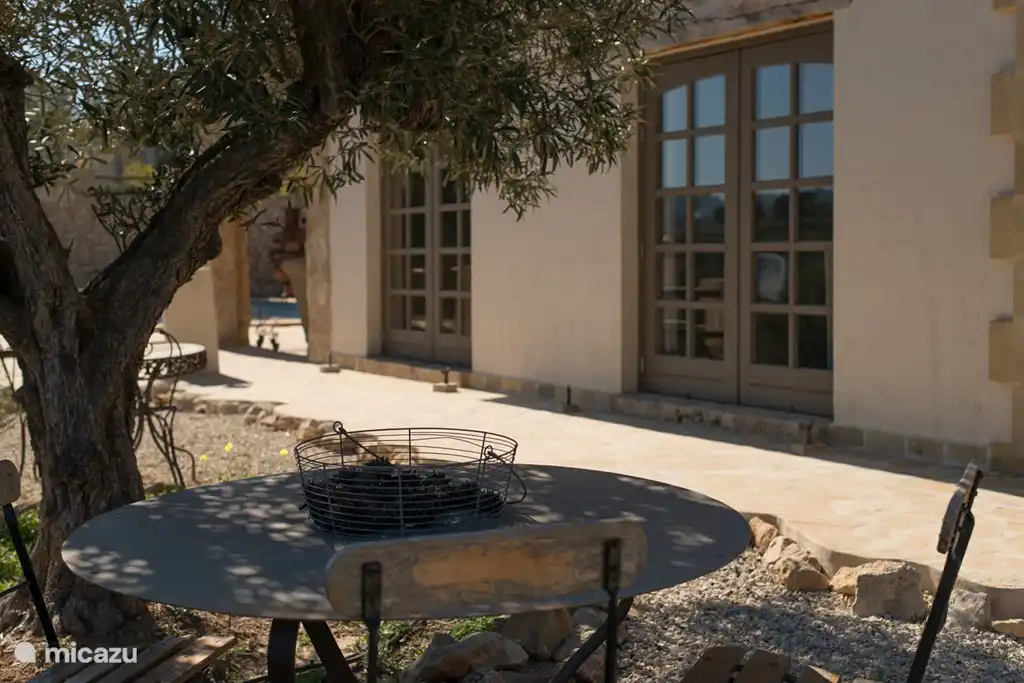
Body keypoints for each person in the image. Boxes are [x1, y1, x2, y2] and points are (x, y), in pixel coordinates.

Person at [270, 207, 309, 341]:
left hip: (296, 268)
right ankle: (310, 337)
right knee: (305, 307)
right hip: (296, 269)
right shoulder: (285, 235)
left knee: (306, 307)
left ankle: (310, 337)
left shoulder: (299, 234)